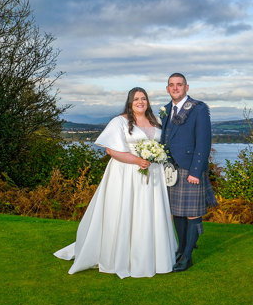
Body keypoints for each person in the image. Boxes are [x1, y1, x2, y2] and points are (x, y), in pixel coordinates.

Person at [54, 87, 177, 279]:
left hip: (153, 173)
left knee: (149, 212)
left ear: (148, 101)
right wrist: (137, 160)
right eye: (136, 99)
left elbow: (164, 146)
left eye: (143, 98)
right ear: (130, 101)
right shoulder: (119, 121)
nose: (140, 102)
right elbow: (111, 151)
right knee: (125, 210)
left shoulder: (158, 121)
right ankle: (122, 256)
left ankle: (153, 256)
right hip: (126, 173)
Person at [160, 73, 214, 272]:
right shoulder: (165, 110)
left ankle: (188, 256)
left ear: (186, 87)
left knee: (192, 214)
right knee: (178, 214)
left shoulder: (198, 109)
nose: (175, 88)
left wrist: (196, 171)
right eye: (172, 85)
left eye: (179, 85)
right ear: (167, 89)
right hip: (171, 170)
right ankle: (181, 250)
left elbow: (203, 141)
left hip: (190, 169)